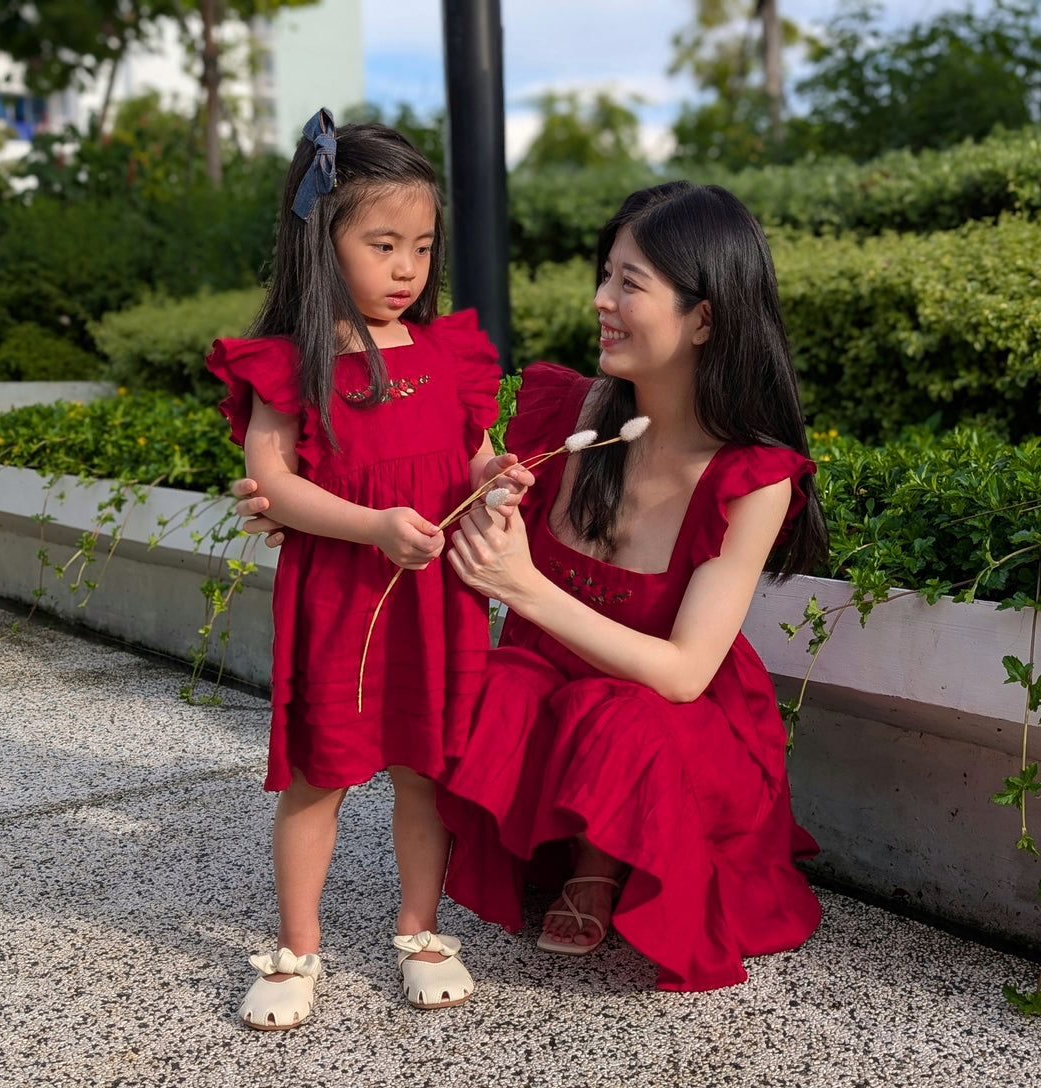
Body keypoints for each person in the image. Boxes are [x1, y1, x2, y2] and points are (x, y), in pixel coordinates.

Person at [234, 181, 829, 992]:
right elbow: (430, 473)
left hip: (670, 728)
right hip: (552, 701)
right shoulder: (565, 420)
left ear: (705, 315)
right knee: (483, 690)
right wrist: (308, 511)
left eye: (630, 283)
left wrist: (524, 587)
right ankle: (538, 857)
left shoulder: (750, 477)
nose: (600, 300)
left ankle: (602, 862)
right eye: (605, 273)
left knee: (616, 717)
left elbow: (685, 673)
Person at [207, 108, 529, 1030]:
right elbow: (272, 483)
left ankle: (419, 930)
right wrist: (371, 524)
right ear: (321, 244)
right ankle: (296, 947)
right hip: (343, 602)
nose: (405, 270)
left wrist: (493, 479)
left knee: (424, 769)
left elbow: (474, 453)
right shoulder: (292, 364)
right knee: (323, 773)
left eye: (421, 247)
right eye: (382, 243)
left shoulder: (447, 352)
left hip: (437, 600)